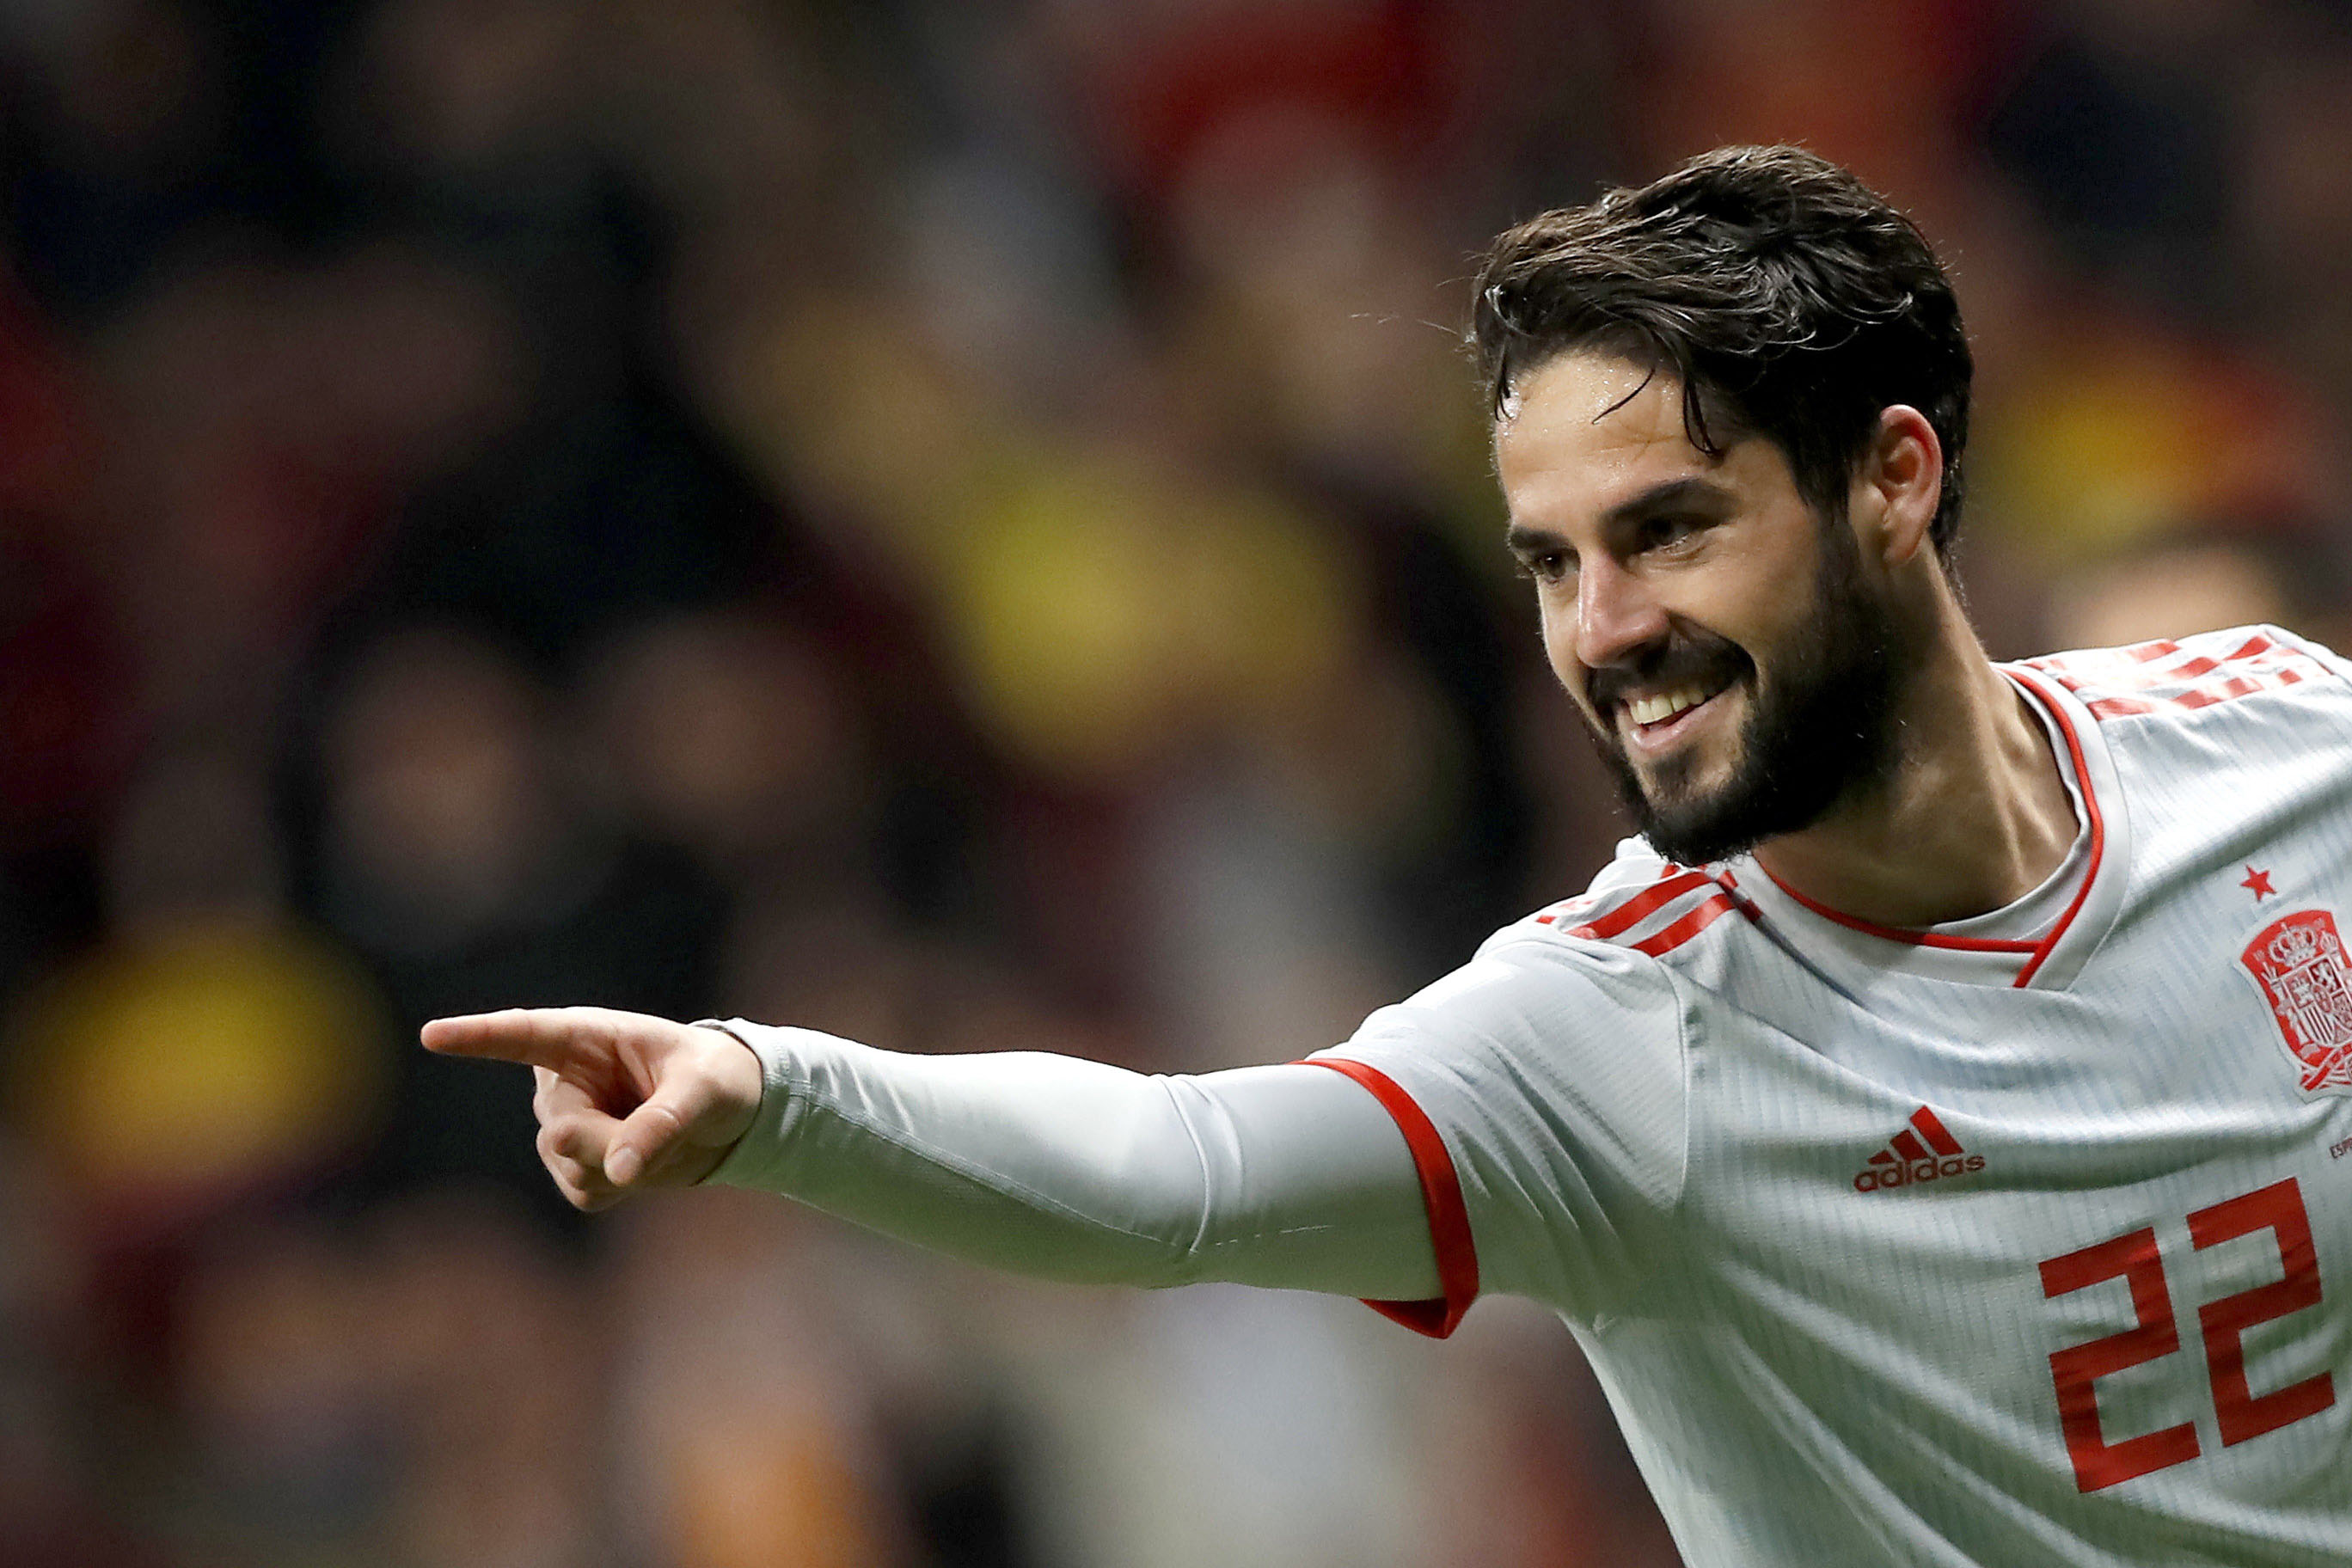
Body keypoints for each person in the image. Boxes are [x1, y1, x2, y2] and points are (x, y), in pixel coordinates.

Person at [424, 147, 2352, 1564]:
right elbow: (1177, 1170)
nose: (1601, 630)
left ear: (1894, 480)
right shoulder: (1617, 1040)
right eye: (1550, 564)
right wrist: (777, 1093)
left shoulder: (2281, 738)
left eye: (1668, 530)